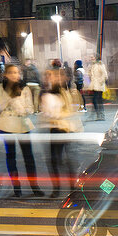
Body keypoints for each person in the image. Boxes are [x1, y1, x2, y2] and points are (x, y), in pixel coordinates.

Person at [0, 64, 43, 197]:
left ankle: (34, 185)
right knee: (11, 156)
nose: (16, 75)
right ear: (6, 75)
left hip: (23, 124)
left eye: (17, 72)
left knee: (29, 156)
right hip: (6, 125)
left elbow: (30, 108)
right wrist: (13, 98)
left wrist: (18, 106)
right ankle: (16, 186)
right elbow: (0, 107)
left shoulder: (24, 87)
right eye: (12, 73)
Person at [39, 68, 81, 197]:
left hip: (65, 129)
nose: (52, 78)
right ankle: (56, 188)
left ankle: (72, 187)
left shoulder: (65, 92)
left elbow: (72, 109)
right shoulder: (45, 93)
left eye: (54, 76)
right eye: (49, 76)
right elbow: (46, 113)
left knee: (66, 159)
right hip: (54, 129)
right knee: (54, 160)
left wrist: (59, 115)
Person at [86, 56, 108, 120]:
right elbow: (91, 74)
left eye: (93, 58)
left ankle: (100, 115)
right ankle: (99, 114)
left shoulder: (100, 65)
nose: (91, 59)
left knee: (97, 100)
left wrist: (100, 82)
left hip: (99, 85)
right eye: (91, 58)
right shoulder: (93, 66)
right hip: (95, 85)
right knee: (97, 100)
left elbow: (105, 75)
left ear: (96, 58)